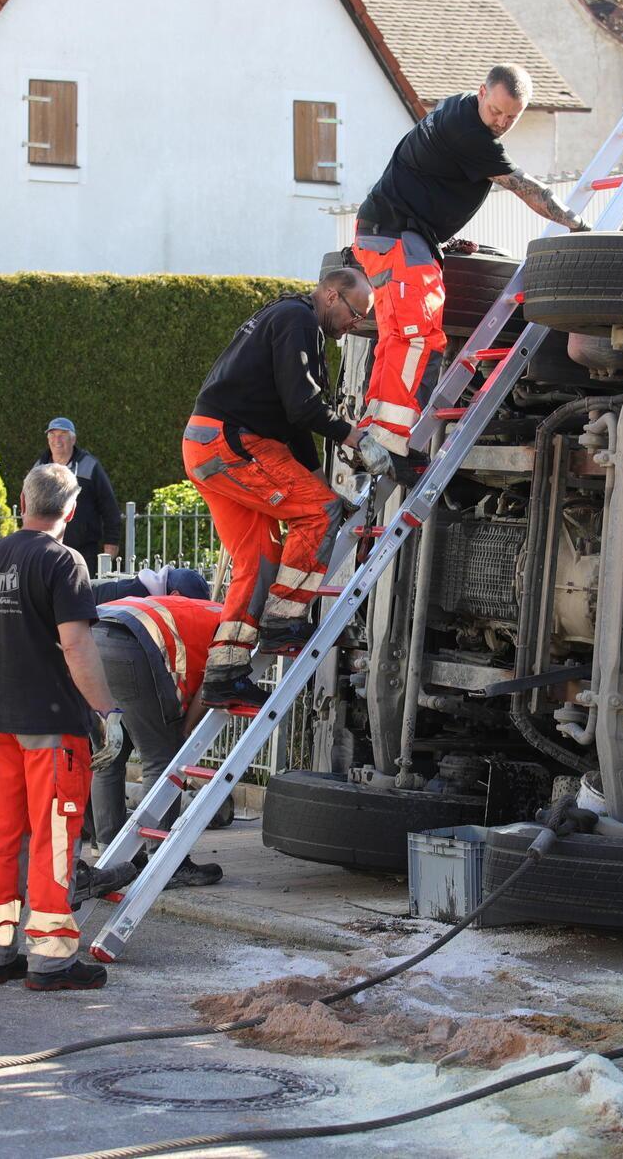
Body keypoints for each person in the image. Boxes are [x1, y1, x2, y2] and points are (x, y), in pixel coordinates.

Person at [351, 63, 589, 477]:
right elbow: (527, 189)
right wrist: (579, 225)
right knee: (416, 337)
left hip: (393, 235)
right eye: (496, 111)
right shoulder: (470, 133)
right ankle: (390, 442)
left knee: (398, 338)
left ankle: (377, 436)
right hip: (397, 236)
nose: (501, 123)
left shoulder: (460, 109)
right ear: (482, 91)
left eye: (512, 117)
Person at [0, 462, 117, 990]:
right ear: (70, 512)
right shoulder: (64, 561)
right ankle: (51, 959)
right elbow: (76, 645)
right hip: (52, 728)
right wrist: (107, 712)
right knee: (53, 838)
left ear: (23, 503)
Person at [185, 270, 370, 709]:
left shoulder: (288, 318)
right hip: (232, 442)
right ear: (332, 295)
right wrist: (358, 439)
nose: (356, 323)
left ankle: (225, 670)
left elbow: (294, 420)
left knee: (259, 558)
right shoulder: (297, 319)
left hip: (206, 443)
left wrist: (316, 478)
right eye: (355, 312)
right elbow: (303, 408)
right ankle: (284, 621)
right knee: (319, 512)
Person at [91, 576, 225, 888]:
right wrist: (184, 734)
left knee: (110, 755)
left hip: (95, 634)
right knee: (162, 758)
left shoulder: (197, 610)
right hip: (129, 642)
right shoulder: (234, 631)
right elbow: (210, 686)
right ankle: (163, 862)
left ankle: (110, 852)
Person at [32, 417, 122, 571]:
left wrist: (111, 542)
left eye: (62, 435)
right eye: (52, 435)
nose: (57, 440)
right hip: (46, 548)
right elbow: (29, 506)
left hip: (84, 551)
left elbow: (109, 505)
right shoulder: (39, 468)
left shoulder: (90, 466)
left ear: (73, 439)